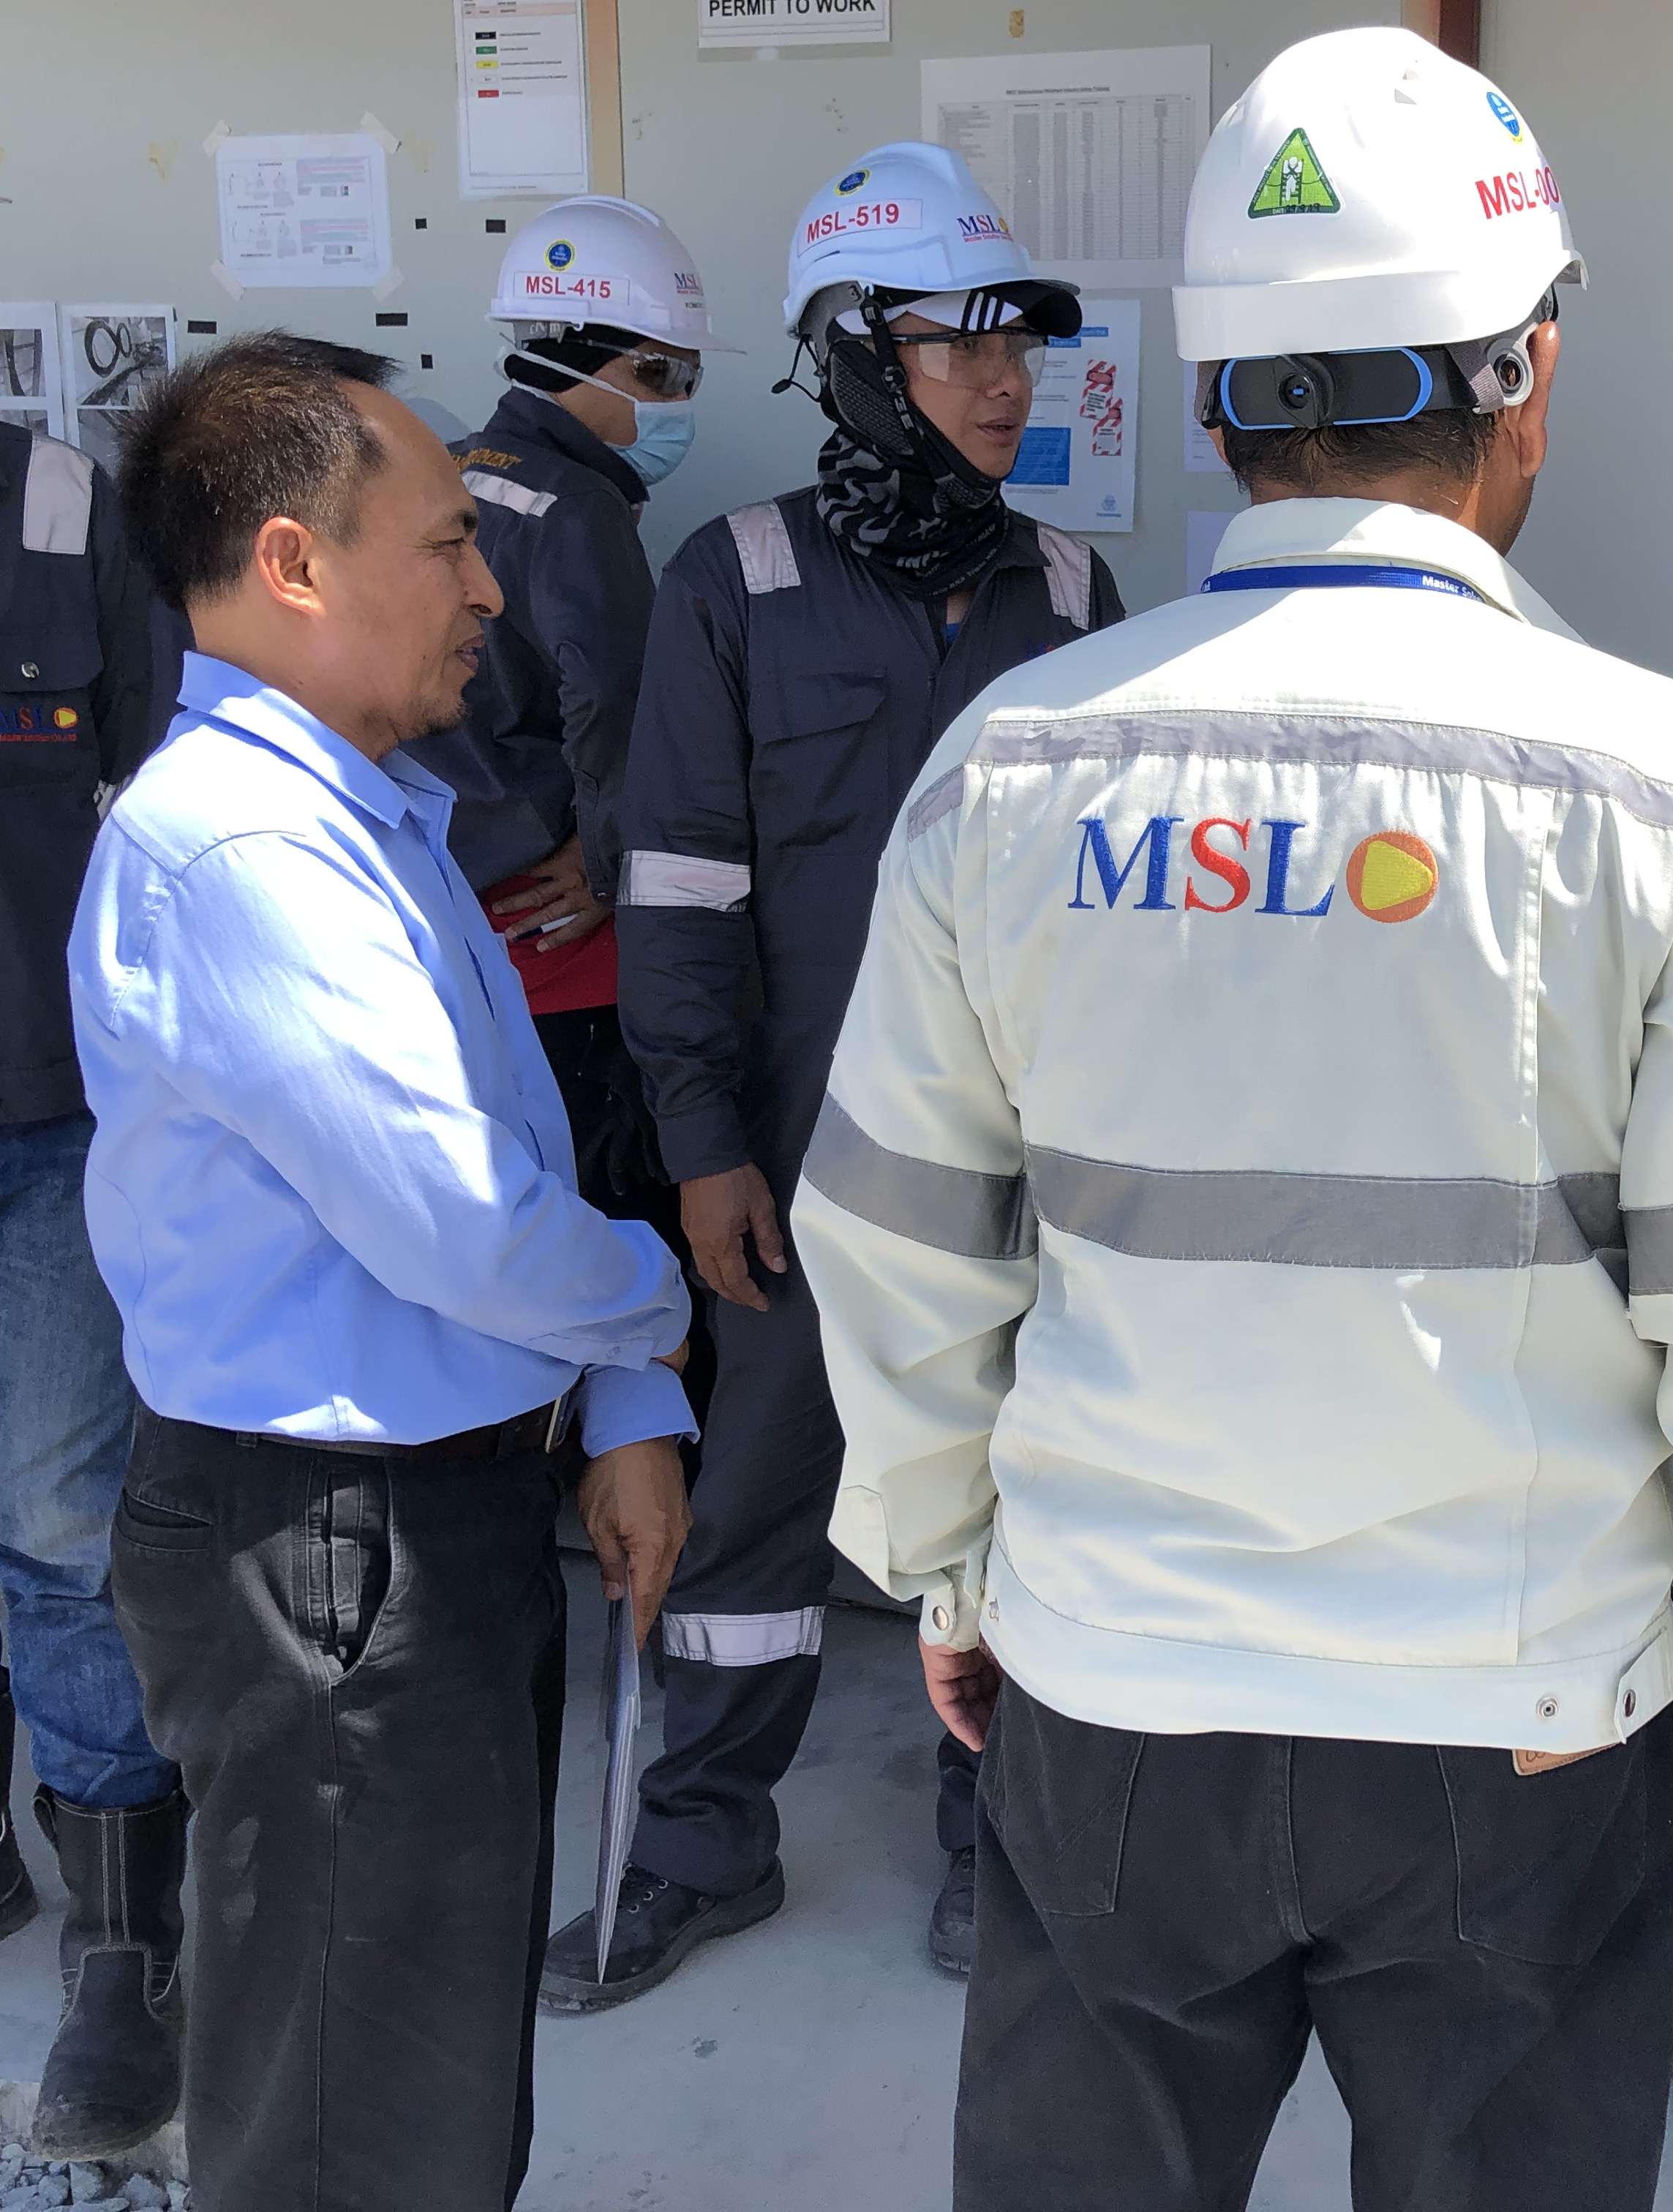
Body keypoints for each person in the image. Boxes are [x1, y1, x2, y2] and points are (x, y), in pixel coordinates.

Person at [794, 29, 1673, 2210]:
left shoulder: (1015, 762)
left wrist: (943, 1572)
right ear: (1531, 376)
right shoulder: (1661, 785)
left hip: (1113, 1690)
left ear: (1218, 398)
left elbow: (900, 1240)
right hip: (1519, 1723)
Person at [80, 333, 695, 2211]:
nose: (488, 589)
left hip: (409, 1525)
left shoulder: (365, 814)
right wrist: (656, 1312)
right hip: (330, 1549)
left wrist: (619, 1395)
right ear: (293, 562)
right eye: (446, 544)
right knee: (350, 2116)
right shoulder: (246, 853)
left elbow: (510, 1152)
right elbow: (469, 1220)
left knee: (417, 2070)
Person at [556, 143, 1124, 2008]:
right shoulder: (736, 582)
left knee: (1023, 1493)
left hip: (1030, 1163)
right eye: (957, 344)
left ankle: (995, 1840)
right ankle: (705, 1843)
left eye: (1017, 344)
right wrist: (701, 1146)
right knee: (757, 1504)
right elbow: (679, 890)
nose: (1004, 382)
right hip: (803, 1162)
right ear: (860, 357)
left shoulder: (1071, 590)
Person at [403, 195, 734, 1280]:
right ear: (582, 361)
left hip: (452, 909)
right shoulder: (579, 509)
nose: (681, 403)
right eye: (665, 376)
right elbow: (618, 711)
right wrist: (606, 866)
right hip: (562, 938)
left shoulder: (446, 469)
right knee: (606, 1221)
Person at [0, 415, 187, 2160]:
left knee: (62, 1522)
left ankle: (123, 1942)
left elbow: (172, 794)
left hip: (44, 1113)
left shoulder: (64, 508)